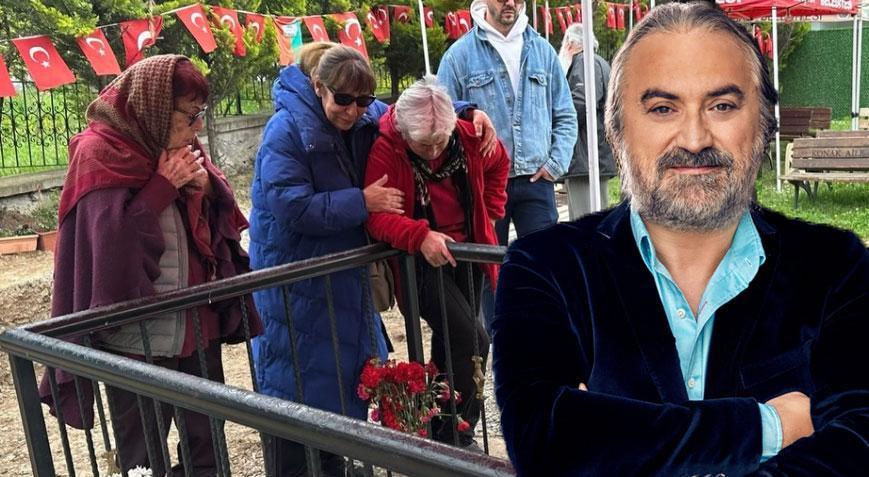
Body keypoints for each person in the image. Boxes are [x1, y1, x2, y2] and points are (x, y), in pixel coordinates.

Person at [492, 2, 869, 476]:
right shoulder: (545, 266)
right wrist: (767, 426)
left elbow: (859, 441)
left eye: (722, 106)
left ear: (763, 125)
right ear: (616, 131)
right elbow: (542, 438)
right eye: (663, 108)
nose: (694, 139)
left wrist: (612, 434)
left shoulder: (835, 267)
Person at [249, 46, 497, 476]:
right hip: (298, 274)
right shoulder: (285, 130)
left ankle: (340, 464)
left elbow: (406, 111)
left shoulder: (364, 116)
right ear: (318, 86)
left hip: (341, 273)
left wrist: (466, 110)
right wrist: (361, 201)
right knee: (295, 388)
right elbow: (292, 206)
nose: (353, 111)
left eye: (362, 100)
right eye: (343, 99)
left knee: (341, 381)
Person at [38, 54, 262, 477]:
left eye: (201, 113)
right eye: (190, 115)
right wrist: (162, 186)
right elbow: (108, 255)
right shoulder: (100, 152)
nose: (198, 127)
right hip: (136, 337)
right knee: (142, 455)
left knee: (208, 444)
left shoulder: (178, 143)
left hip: (197, 325)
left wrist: (207, 186)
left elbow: (221, 208)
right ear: (155, 107)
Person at [365, 76, 509, 448]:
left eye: (439, 142)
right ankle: (461, 433)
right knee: (472, 338)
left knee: (451, 343)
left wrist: (490, 210)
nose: (431, 152)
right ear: (404, 133)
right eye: (422, 144)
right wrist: (419, 236)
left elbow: (499, 163)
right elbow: (378, 218)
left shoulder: (468, 135)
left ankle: (441, 430)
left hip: (468, 252)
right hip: (420, 259)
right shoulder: (387, 149)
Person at [436, 0, 577, 332]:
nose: (511, 3)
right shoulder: (459, 56)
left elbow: (565, 114)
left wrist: (555, 163)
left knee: (545, 266)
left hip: (536, 180)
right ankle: (501, 343)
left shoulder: (542, 51)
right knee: (489, 273)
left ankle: (546, 340)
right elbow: (441, 115)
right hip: (484, 186)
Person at [559, 23, 617, 220]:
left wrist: (558, 125)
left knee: (583, 220)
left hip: (585, 156)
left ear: (570, 43)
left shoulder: (584, 62)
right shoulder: (599, 62)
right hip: (595, 154)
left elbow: (581, 103)